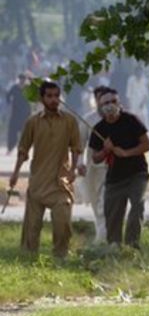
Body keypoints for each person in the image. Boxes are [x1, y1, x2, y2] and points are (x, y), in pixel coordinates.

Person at [9, 80, 81, 258]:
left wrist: (73, 170)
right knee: (31, 228)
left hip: (60, 182)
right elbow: (23, 150)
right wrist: (15, 173)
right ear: (42, 99)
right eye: (49, 96)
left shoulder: (70, 121)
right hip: (38, 182)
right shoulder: (32, 122)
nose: (54, 100)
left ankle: (61, 257)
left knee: (62, 223)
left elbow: (76, 147)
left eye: (57, 96)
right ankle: (28, 258)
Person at [89, 88, 149, 249]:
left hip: (137, 173)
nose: (110, 105)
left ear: (119, 103)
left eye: (113, 102)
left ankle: (132, 244)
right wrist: (106, 150)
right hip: (114, 177)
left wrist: (126, 153)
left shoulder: (131, 120)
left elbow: (148, 144)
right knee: (113, 213)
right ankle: (115, 246)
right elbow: (95, 158)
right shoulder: (99, 129)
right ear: (100, 106)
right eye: (105, 103)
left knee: (137, 206)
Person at [75, 85, 110, 243]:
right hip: (93, 169)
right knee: (96, 204)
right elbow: (79, 144)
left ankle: (103, 239)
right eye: (99, 99)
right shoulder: (88, 119)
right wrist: (79, 164)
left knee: (105, 203)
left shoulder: (119, 118)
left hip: (111, 168)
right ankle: (102, 233)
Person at [6, 73, 31, 154]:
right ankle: (10, 147)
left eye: (23, 79)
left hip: (25, 112)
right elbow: (8, 96)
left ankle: (24, 148)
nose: (22, 81)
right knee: (12, 130)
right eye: (21, 79)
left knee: (25, 132)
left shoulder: (28, 88)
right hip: (16, 112)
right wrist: (9, 102)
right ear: (19, 79)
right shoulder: (15, 87)